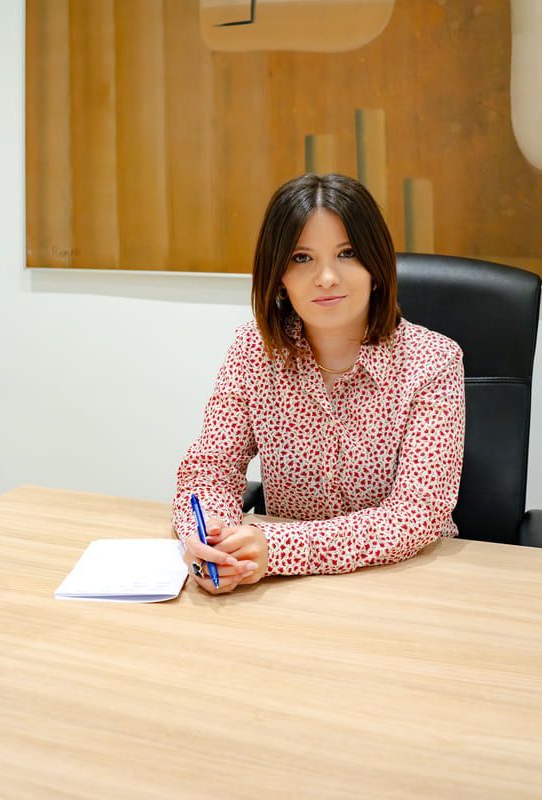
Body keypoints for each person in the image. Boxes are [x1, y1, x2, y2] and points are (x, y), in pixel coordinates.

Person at [172, 173, 465, 594]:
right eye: (302, 258)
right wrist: (212, 542)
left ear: (376, 266)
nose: (326, 277)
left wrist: (279, 548)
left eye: (347, 253)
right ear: (279, 275)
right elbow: (210, 469)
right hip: (286, 592)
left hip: (401, 584)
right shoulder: (253, 351)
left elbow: (416, 514)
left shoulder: (432, 361)